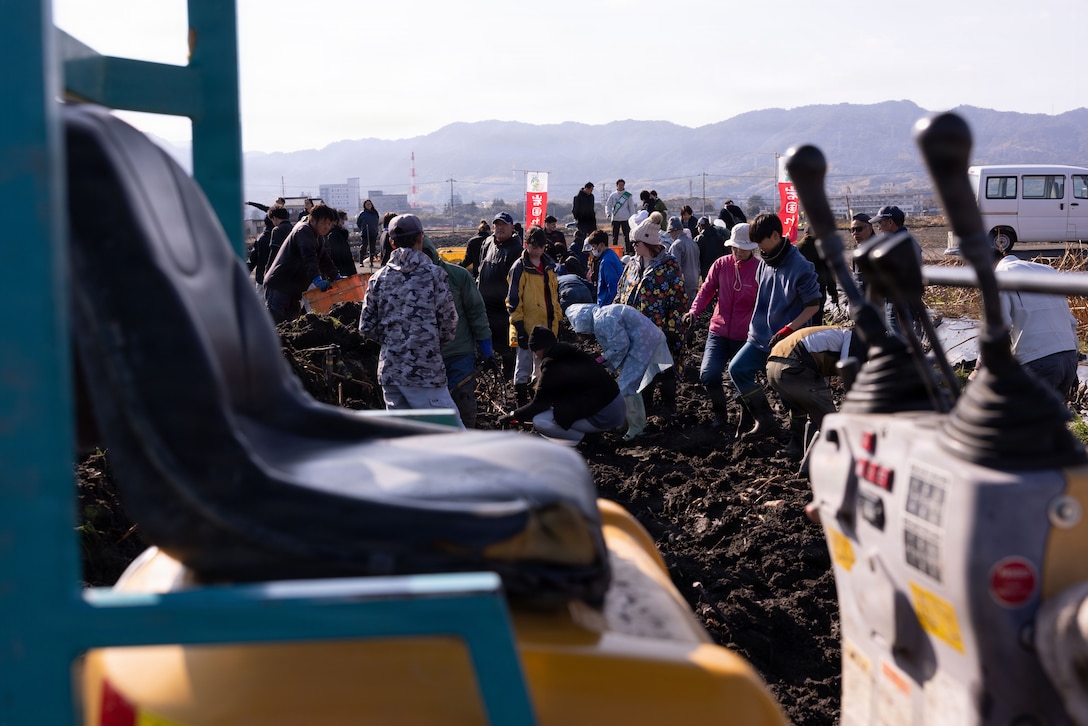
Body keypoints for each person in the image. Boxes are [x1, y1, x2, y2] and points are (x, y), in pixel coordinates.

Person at [358, 213, 462, 425]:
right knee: (452, 437)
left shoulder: (378, 278)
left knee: (406, 440)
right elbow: (449, 323)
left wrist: (394, 341)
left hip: (390, 372)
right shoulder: (433, 275)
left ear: (392, 243)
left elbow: (366, 325)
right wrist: (428, 342)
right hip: (425, 372)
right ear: (420, 239)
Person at [726, 213, 821, 441]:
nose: (759, 249)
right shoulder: (766, 262)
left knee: (786, 389)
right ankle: (765, 420)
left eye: (761, 243)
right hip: (759, 336)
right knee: (737, 369)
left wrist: (789, 328)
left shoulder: (801, 266)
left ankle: (798, 439)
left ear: (776, 235)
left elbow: (813, 305)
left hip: (787, 342)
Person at [971, 249, 1081, 401]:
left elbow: (996, 327)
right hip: (1068, 359)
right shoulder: (1047, 270)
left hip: (1038, 362)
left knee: (1017, 420)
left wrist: (979, 367)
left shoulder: (999, 277)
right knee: (1047, 421)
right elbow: (1069, 320)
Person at [682, 223, 760, 428]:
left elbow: (765, 303)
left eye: (742, 247)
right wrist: (694, 311)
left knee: (742, 380)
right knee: (708, 374)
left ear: (752, 247)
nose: (737, 251)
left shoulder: (760, 270)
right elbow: (706, 290)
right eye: (734, 247)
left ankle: (747, 417)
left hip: (745, 336)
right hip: (718, 330)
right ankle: (720, 414)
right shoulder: (721, 264)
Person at [499, 326, 626, 445]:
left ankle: (588, 438)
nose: (535, 356)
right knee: (561, 409)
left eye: (535, 351)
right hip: (617, 406)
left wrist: (513, 415)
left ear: (541, 348)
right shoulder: (569, 352)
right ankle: (592, 433)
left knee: (540, 420)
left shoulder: (551, 364)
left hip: (605, 416)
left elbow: (540, 404)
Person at [566, 303, 674, 441]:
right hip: (644, 339)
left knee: (627, 385)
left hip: (644, 342)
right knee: (627, 383)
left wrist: (602, 359)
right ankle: (625, 422)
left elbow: (620, 345)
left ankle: (637, 427)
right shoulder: (602, 315)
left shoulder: (602, 320)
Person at [615, 213, 688, 417]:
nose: (633, 247)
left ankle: (668, 409)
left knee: (664, 369)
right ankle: (644, 409)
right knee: (640, 369)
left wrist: (672, 329)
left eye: (635, 243)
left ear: (647, 242)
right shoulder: (632, 265)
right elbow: (621, 291)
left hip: (658, 330)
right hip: (634, 330)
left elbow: (679, 299)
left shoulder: (669, 266)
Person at [767, 326, 866, 457]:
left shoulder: (834, 333)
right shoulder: (855, 337)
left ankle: (797, 448)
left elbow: (821, 368)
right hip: (794, 367)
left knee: (812, 413)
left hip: (773, 368)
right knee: (831, 421)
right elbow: (848, 372)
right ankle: (819, 464)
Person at [437, 254, 495, 428]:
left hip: (458, 353)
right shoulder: (403, 279)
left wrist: (487, 349)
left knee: (463, 403)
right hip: (425, 360)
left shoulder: (457, 276)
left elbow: (476, 312)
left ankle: (466, 442)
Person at [506, 225, 560, 407]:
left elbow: (554, 296)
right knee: (523, 365)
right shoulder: (519, 268)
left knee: (541, 368)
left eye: (540, 246)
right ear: (526, 244)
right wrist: (519, 327)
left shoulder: (549, 267)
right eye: (533, 245)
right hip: (526, 325)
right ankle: (521, 403)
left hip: (546, 326)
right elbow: (513, 301)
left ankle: (537, 402)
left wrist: (557, 319)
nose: (536, 250)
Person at [262, 203, 341, 324]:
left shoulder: (317, 237)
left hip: (293, 289)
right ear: (313, 220)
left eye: (330, 224)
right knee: (275, 323)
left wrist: (336, 275)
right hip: (280, 285)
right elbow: (309, 257)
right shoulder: (303, 231)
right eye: (324, 223)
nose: (327, 227)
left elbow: (324, 260)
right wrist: (317, 279)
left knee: (291, 325)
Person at [476, 211, 524, 379]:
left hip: (503, 307)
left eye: (504, 224)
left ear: (512, 227)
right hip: (484, 304)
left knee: (505, 345)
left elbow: (517, 279)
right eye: (497, 224)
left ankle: (508, 374)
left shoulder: (516, 249)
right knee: (483, 338)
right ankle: (487, 369)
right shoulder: (487, 243)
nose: (500, 228)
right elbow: (480, 267)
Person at [870, 205, 924, 338]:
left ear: (890, 222)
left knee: (898, 339)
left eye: (880, 222)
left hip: (898, 300)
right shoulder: (905, 240)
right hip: (904, 299)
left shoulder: (898, 243)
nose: (878, 227)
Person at [795, 227, 837, 325]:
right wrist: (833, 292)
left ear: (805, 234)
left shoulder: (796, 248)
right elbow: (829, 272)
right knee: (816, 321)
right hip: (819, 289)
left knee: (801, 320)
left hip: (800, 290)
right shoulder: (823, 249)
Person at [247, 204, 288, 292]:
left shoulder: (262, 238)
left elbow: (253, 259)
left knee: (262, 304)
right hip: (285, 279)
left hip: (263, 278)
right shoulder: (290, 233)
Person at [586, 229, 623, 306]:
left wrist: (609, 305)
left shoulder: (606, 262)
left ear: (601, 245)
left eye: (594, 246)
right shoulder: (611, 254)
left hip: (607, 302)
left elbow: (612, 286)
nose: (593, 250)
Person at [666, 216, 700, 293]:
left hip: (683, 284)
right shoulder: (693, 243)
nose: (670, 236)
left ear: (674, 231)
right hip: (694, 281)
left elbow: (675, 268)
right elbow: (698, 264)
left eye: (670, 233)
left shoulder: (676, 245)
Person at [605, 178, 637, 254]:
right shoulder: (613, 195)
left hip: (625, 218)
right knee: (614, 236)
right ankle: (614, 251)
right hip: (615, 218)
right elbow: (608, 205)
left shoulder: (627, 195)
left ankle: (628, 251)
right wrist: (608, 213)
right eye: (620, 185)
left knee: (627, 236)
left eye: (622, 185)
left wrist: (632, 217)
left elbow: (631, 207)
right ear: (617, 185)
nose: (621, 186)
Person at [327, 210, 358, 278]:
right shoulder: (334, 236)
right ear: (338, 220)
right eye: (345, 219)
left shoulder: (342, 235)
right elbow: (336, 257)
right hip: (343, 273)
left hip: (348, 272)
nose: (346, 222)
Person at [694, 216, 725, 281]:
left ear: (700, 226)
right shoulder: (719, 236)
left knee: (707, 286)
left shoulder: (699, 239)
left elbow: (696, 254)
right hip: (719, 265)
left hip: (705, 267)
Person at [571, 181, 597, 250]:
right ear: (586, 189)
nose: (591, 191)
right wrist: (576, 218)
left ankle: (592, 250)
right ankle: (582, 250)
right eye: (590, 190)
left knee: (593, 237)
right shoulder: (578, 197)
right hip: (582, 220)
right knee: (582, 237)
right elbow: (575, 209)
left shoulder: (591, 196)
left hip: (591, 220)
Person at [356, 199, 381, 264]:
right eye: (367, 204)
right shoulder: (362, 214)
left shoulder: (375, 213)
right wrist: (362, 229)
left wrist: (375, 229)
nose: (369, 205)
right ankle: (361, 262)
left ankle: (371, 262)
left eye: (370, 204)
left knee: (372, 248)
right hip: (365, 233)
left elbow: (377, 221)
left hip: (373, 233)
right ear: (365, 205)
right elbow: (358, 223)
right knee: (364, 247)